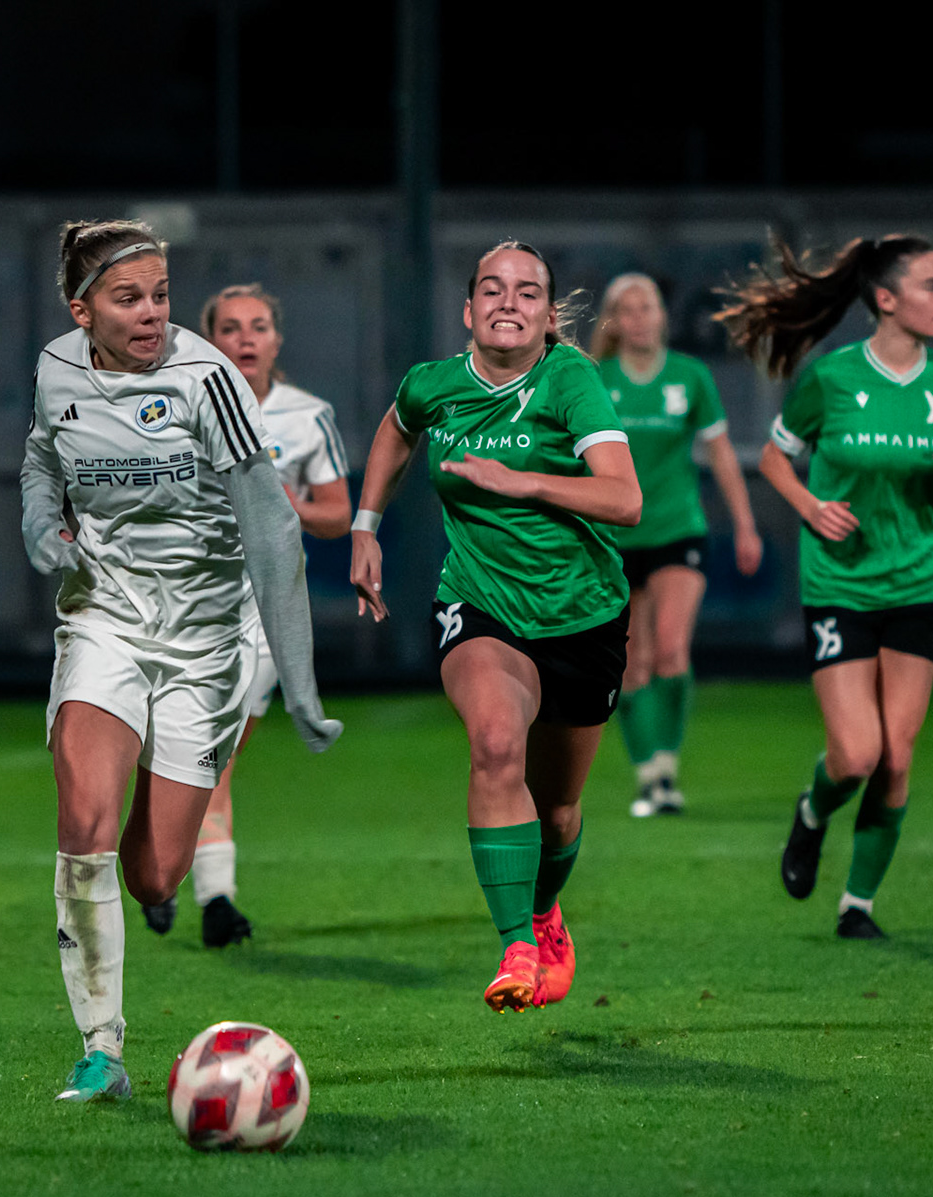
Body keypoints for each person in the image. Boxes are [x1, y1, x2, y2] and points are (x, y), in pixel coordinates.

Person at [22, 219, 341, 1101]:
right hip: (105, 620)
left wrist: (300, 685)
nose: (153, 312)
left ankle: (150, 805)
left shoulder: (208, 380)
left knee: (156, 873)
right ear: (82, 309)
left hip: (204, 646)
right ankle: (101, 1049)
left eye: (161, 295)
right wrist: (41, 523)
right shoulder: (55, 370)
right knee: (82, 818)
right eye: (129, 298)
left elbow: (273, 533)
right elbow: (42, 457)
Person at [350, 241, 640, 1012]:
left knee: (559, 812)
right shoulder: (434, 385)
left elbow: (624, 500)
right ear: (469, 309)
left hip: (583, 614)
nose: (508, 301)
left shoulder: (570, 379)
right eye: (492, 288)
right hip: (480, 604)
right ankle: (516, 947)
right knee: (495, 743)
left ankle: (544, 913)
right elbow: (397, 428)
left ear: (547, 317)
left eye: (527, 291)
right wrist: (366, 525)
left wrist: (525, 483)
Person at [718, 234, 933, 940]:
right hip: (839, 584)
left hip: (918, 583)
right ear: (886, 298)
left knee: (896, 758)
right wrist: (811, 508)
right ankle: (812, 812)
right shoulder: (832, 378)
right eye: (932, 284)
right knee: (857, 755)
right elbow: (773, 458)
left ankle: (857, 906)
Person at [144, 284, 351, 947]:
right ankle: (178, 876)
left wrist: (288, 506)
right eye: (230, 328)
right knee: (186, 750)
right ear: (210, 340)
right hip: (182, 604)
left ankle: (204, 892)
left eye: (258, 326)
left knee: (215, 751)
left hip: (262, 613)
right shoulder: (171, 408)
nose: (245, 339)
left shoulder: (307, 416)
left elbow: (338, 514)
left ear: (276, 339)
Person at [591, 274, 763, 816]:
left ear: (663, 316)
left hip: (677, 529)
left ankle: (666, 769)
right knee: (630, 664)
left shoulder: (691, 377)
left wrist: (745, 524)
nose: (640, 318)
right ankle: (647, 777)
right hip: (615, 537)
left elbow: (721, 453)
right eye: (628, 309)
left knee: (670, 650)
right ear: (615, 321)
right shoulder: (595, 379)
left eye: (648, 307)